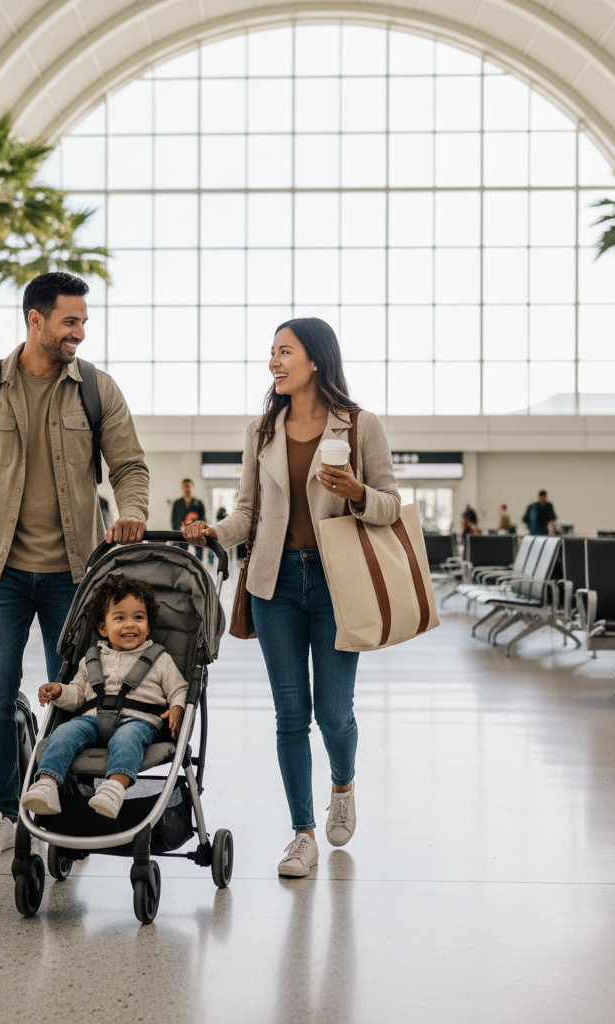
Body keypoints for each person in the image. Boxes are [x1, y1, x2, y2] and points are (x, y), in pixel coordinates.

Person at [0, 271, 150, 862]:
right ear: (35, 321)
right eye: (70, 321)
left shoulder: (96, 390)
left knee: (75, 697)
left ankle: (63, 805)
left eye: (82, 320)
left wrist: (130, 511)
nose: (80, 331)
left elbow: (130, 466)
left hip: (75, 578)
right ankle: (1, 811)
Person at [183, 317, 401, 878]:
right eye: (272, 353)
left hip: (337, 584)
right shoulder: (262, 431)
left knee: (333, 715)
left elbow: (391, 505)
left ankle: (343, 785)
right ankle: (302, 833)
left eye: (285, 351)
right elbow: (249, 511)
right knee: (289, 715)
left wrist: (356, 493)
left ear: (316, 360)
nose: (275, 361)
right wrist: (214, 533)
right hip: (274, 584)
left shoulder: (359, 426)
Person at [20, 576, 185, 820]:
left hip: (139, 722)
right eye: (120, 618)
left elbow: (179, 688)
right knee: (64, 733)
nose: (130, 624)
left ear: (148, 627)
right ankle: (47, 785)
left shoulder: (160, 659)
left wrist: (177, 707)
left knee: (126, 738)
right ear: (103, 628)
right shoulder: (91, 659)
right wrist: (59, 691)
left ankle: (114, 789)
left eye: (138, 618)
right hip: (92, 720)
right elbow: (77, 695)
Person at [171, 478, 207, 561]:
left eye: (189, 486)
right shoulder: (177, 503)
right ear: (182, 487)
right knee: (181, 555)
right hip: (181, 533)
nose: (187, 488)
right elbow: (174, 520)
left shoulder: (199, 503)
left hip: (196, 533)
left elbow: (203, 519)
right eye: (185, 486)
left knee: (198, 556)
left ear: (192, 487)